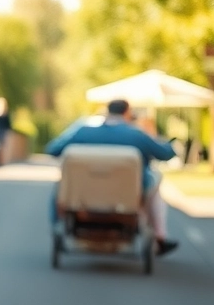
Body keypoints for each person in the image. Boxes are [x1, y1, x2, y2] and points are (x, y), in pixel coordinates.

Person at [46, 98, 178, 255]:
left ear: (107, 111)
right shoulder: (136, 136)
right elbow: (165, 153)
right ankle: (160, 236)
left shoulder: (83, 132)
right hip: (128, 196)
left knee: (60, 185)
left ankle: (56, 224)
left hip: (83, 195)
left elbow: (53, 149)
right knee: (155, 181)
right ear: (127, 112)